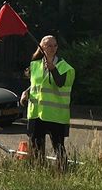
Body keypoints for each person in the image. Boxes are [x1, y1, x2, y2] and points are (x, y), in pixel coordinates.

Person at [19, 35, 75, 169]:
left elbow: (61, 83)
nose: (52, 48)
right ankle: (38, 172)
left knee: (59, 148)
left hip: (56, 115)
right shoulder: (34, 65)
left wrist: (53, 69)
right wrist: (26, 92)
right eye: (49, 45)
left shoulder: (66, 67)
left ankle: (62, 173)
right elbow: (37, 84)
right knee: (36, 147)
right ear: (41, 47)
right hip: (36, 113)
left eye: (55, 45)